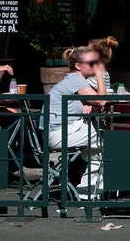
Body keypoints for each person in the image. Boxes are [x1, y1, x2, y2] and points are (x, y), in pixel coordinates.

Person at [46, 46, 109, 187]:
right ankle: (85, 188)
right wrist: (100, 75)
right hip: (59, 134)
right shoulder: (76, 80)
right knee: (109, 135)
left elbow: (93, 101)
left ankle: (87, 191)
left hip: (60, 132)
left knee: (98, 150)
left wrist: (89, 102)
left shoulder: (75, 80)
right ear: (78, 66)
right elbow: (101, 100)